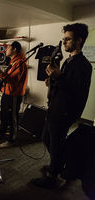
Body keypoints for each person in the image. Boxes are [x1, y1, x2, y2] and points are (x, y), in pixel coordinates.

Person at [31, 23, 92, 189]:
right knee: (47, 139)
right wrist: (53, 82)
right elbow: (66, 85)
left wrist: (60, 78)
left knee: (56, 144)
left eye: (68, 39)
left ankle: (52, 177)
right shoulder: (69, 60)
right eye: (63, 39)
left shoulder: (83, 64)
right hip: (57, 108)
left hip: (64, 112)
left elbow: (76, 92)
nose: (64, 42)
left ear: (78, 40)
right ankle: (58, 166)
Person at [0, 41, 28, 148]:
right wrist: (0, 75)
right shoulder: (13, 61)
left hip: (13, 95)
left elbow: (13, 81)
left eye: (8, 48)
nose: (6, 50)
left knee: (12, 117)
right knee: (4, 115)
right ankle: (2, 134)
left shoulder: (20, 62)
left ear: (15, 49)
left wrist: (0, 72)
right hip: (6, 92)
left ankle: (11, 140)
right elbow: (8, 76)